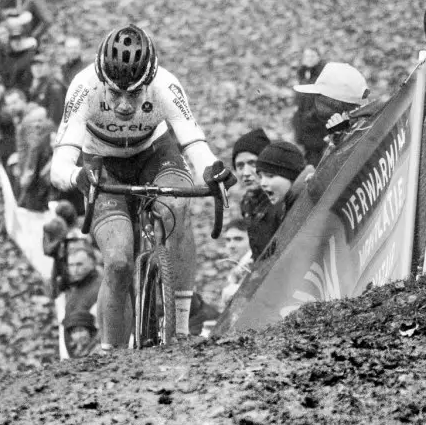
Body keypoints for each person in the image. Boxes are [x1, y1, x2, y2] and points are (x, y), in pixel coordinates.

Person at [50, 24, 236, 351]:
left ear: (148, 84)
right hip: (101, 164)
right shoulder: (83, 87)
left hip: (154, 154)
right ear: (101, 81)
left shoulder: (166, 85)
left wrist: (213, 170)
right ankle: (111, 353)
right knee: (119, 261)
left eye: (134, 94)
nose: (123, 104)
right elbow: (59, 166)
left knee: (176, 206)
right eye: (115, 93)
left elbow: (194, 142)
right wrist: (78, 176)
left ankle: (179, 327)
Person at [292, 62, 373, 165]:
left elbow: (352, 169)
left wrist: (341, 139)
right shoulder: (350, 124)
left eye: (323, 99)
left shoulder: (366, 128)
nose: (318, 104)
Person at [255, 141, 315, 259]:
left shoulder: (310, 200)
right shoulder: (290, 205)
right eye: (260, 176)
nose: (262, 183)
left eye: (270, 176)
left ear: (290, 175)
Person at [231, 127, 276, 261]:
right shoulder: (247, 203)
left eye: (252, 163)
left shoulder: (281, 196)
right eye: (240, 166)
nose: (246, 172)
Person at [62, 247, 103, 358]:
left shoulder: (101, 287)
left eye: (79, 264)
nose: (75, 270)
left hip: (93, 356)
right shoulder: (75, 288)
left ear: (92, 263)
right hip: (77, 355)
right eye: (71, 265)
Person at [291, 48, 328, 166]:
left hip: (316, 124)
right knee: (308, 156)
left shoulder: (323, 75)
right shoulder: (303, 74)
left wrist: (310, 116)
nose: (309, 59)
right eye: (307, 56)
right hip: (304, 125)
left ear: (318, 57)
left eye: (312, 56)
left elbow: (323, 99)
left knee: (315, 157)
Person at [29, 52, 67, 127]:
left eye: (40, 65)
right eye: (34, 66)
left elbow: (57, 118)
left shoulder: (54, 85)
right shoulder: (38, 84)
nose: (37, 68)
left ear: (49, 66)